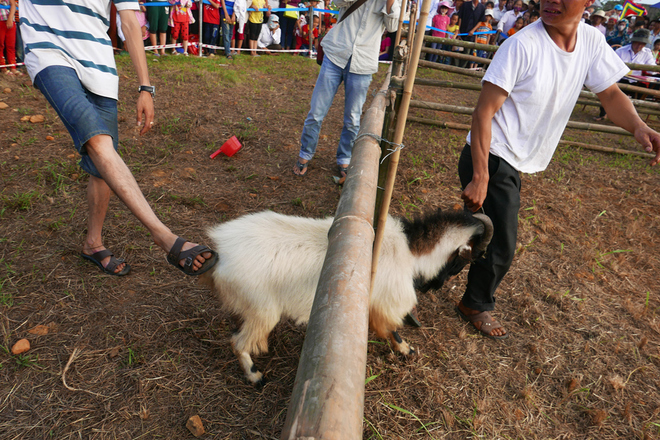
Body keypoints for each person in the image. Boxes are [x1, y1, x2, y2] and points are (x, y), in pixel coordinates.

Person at [456, 0, 660, 339]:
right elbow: (483, 113)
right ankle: (475, 303)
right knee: (501, 243)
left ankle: (423, 271)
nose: (551, 2)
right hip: (492, 154)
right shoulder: (521, 45)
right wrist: (480, 177)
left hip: (514, 159)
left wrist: (639, 127)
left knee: (479, 234)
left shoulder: (592, 41)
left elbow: (609, 94)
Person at [20, 0, 218, 276]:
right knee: (99, 141)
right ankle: (164, 236)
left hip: (100, 68)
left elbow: (129, 21)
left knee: (101, 168)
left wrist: (145, 87)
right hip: (49, 53)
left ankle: (93, 242)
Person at [292, 0, 400, 178]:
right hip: (336, 55)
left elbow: (393, 25)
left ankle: (344, 157)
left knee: (352, 118)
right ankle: (305, 153)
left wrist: (389, 2)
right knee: (316, 111)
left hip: (363, 63)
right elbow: (338, 2)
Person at [596, 29, 657, 121]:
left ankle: (629, 118)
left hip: (637, 81)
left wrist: (652, 69)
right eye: (637, 43)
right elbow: (612, 65)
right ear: (632, 42)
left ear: (645, 45)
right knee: (608, 91)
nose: (639, 45)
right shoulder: (621, 50)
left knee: (641, 96)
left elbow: (652, 68)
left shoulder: (647, 53)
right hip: (620, 79)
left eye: (642, 44)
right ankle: (603, 114)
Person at [0, 0, 19, 75]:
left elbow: (13, 5)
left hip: (10, 21)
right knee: (0, 45)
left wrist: (10, 18)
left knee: (11, 45)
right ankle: (3, 68)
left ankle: (13, 67)